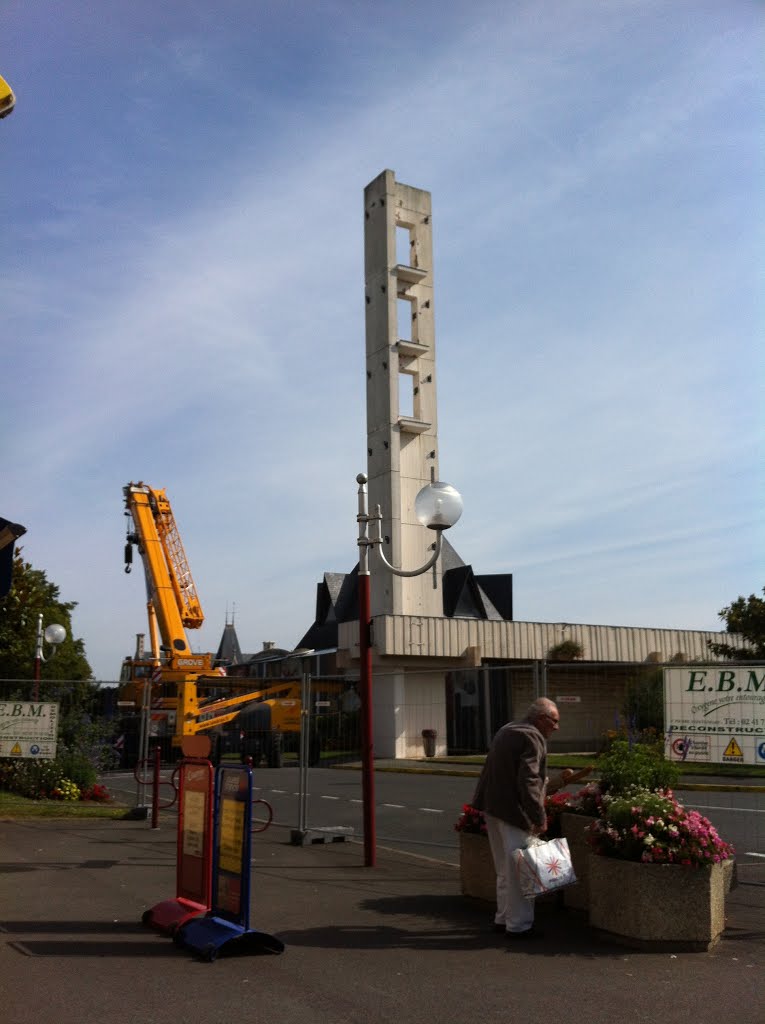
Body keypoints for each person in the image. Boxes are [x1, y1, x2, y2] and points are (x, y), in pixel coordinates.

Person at [471, 697, 571, 938]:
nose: (556, 727)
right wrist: (539, 816)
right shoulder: (533, 736)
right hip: (514, 812)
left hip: (492, 808)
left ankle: (502, 918)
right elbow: (529, 781)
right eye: (554, 721)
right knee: (521, 870)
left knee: (504, 870)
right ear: (541, 719)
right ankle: (519, 926)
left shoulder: (507, 729)